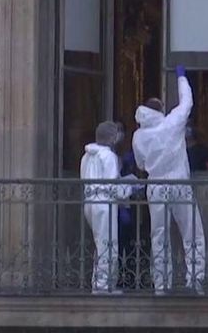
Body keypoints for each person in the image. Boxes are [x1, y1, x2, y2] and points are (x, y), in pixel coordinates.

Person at [132, 65, 206, 294]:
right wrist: (181, 77)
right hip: (179, 183)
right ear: (161, 110)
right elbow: (187, 102)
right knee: (192, 233)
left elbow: (140, 165)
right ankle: (195, 280)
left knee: (159, 236)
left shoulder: (138, 136)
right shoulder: (172, 122)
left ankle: (162, 284)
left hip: (156, 186)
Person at [81, 120, 137, 294]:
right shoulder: (109, 156)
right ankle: (104, 286)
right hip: (104, 204)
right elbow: (113, 186)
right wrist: (130, 187)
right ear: (112, 137)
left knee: (100, 243)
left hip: (89, 202)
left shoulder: (87, 156)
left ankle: (98, 283)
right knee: (108, 244)